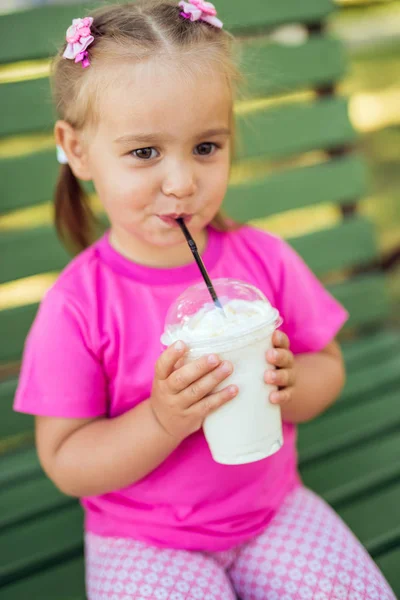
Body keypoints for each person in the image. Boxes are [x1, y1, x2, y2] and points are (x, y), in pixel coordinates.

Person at [14, 1, 395, 599]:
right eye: (144, 152)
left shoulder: (262, 260)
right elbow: (66, 460)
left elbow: (328, 367)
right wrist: (163, 419)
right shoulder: (78, 305)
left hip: (272, 513)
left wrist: (290, 384)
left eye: (205, 147)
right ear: (78, 149)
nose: (182, 182)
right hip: (143, 541)